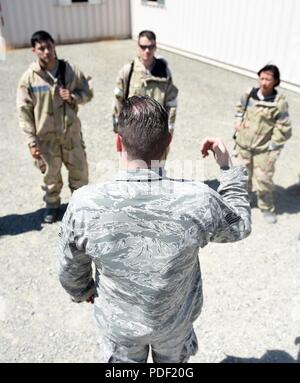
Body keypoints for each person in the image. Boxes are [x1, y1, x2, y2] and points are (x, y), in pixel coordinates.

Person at [58, 96, 251, 363]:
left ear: (118, 142)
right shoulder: (197, 199)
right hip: (174, 325)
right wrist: (227, 169)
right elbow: (240, 224)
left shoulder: (84, 204)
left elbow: (69, 269)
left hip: (120, 327)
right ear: (168, 143)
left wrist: (84, 291)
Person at [17, 30, 93, 224]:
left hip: (71, 136)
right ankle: (52, 205)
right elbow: (24, 112)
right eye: (41, 48)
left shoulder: (69, 70)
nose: (47, 51)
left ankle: (81, 206)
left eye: (49, 46)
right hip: (46, 140)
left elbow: (87, 92)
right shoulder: (29, 79)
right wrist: (31, 143)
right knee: (51, 176)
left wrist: (74, 97)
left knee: (80, 173)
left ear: (54, 45)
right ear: (34, 50)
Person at [233, 64, 292, 224]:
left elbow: (284, 128)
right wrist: (238, 120)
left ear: (276, 82)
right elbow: (240, 108)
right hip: (244, 146)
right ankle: (242, 204)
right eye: (262, 78)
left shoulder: (279, 103)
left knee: (264, 180)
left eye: (268, 79)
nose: (264, 82)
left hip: (263, 151)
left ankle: (266, 207)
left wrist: (273, 148)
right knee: (241, 178)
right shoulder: (249, 94)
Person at [112, 30, 178, 138]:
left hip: (157, 135)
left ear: (155, 47)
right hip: (133, 135)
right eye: (143, 47)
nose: (147, 51)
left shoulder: (164, 72)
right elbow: (117, 101)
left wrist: (169, 132)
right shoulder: (128, 71)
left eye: (151, 47)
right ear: (137, 47)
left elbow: (171, 104)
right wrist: (118, 131)